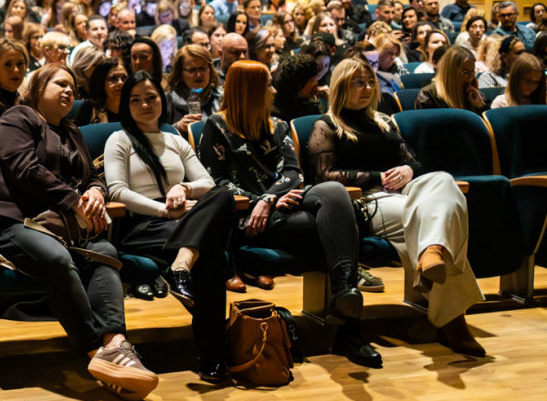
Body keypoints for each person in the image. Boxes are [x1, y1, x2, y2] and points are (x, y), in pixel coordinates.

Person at [0, 64, 160, 401]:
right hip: (13, 222)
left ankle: (115, 343)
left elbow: (91, 174)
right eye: (60, 84)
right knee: (56, 257)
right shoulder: (16, 118)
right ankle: (96, 352)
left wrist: (96, 191)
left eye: (72, 87)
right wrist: (74, 201)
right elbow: (24, 169)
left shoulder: (71, 130)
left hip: (63, 226)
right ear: (39, 87)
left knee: (105, 253)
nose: (69, 91)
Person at [199, 60, 381, 368]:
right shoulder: (216, 127)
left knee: (334, 192)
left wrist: (269, 198)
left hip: (283, 204)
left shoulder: (277, 125)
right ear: (249, 90)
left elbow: (293, 173)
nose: (273, 91)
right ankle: (350, 329)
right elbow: (216, 182)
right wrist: (260, 202)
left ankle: (343, 291)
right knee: (336, 225)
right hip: (248, 218)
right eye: (268, 85)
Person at [310, 58, 486, 356]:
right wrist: (378, 177)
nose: (367, 88)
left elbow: (413, 162)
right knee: (442, 223)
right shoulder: (326, 125)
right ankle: (453, 320)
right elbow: (324, 176)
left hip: (406, 193)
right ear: (340, 86)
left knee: (443, 181)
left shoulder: (385, 120)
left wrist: (408, 170)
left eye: (370, 82)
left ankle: (431, 254)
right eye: (358, 82)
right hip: (365, 201)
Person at [104, 72, 236, 381]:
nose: (145, 104)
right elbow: (117, 192)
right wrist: (163, 210)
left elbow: (207, 183)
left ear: (161, 101)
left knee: (223, 195)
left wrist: (183, 188)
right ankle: (212, 355)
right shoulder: (119, 140)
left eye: (151, 97)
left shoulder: (176, 140)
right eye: (135, 100)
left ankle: (181, 265)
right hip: (143, 224)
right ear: (126, 106)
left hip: (183, 219)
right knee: (211, 254)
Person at [165, 44, 222, 135]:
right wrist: (177, 127)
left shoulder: (221, 96)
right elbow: (157, 136)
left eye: (203, 68)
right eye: (191, 70)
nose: (199, 75)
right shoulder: (167, 100)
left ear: (210, 69)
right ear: (180, 73)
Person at [414, 46, 488, 113]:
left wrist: (481, 107)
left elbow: (488, 122)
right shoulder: (428, 95)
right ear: (450, 72)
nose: (470, 77)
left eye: (472, 71)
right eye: (465, 72)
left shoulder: (474, 95)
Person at [74, 57, 127, 125]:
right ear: (101, 82)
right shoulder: (89, 109)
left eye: (124, 78)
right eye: (113, 78)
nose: (120, 83)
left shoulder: (136, 107)